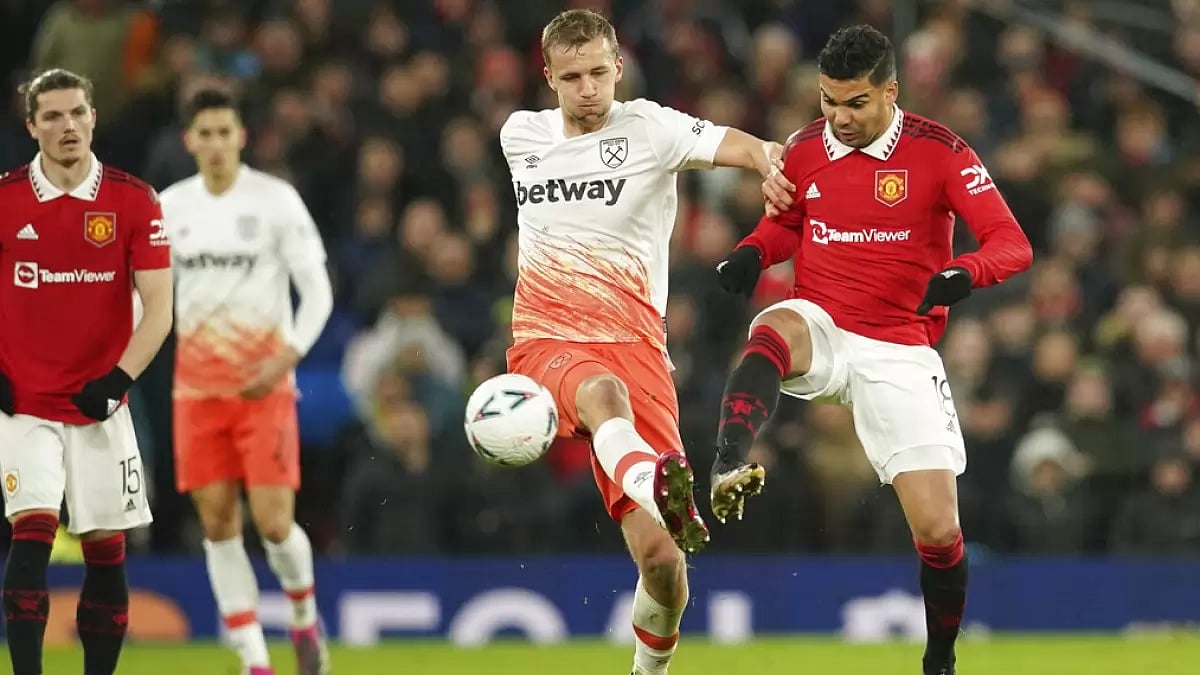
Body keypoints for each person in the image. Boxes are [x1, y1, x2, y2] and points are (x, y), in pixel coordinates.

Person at [709, 25, 1033, 675]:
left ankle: (939, 658)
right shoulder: (805, 148)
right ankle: (726, 464)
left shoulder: (941, 152)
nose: (839, 118)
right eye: (829, 101)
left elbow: (1011, 242)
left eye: (855, 103)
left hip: (900, 347)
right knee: (775, 325)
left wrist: (965, 273)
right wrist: (752, 251)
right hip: (825, 321)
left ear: (891, 90)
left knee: (939, 530)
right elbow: (786, 222)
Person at [500, 9, 794, 675]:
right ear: (548, 76)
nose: (587, 89)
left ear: (618, 69)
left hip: (637, 348)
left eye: (599, 73)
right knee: (601, 394)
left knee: (664, 566)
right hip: (547, 339)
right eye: (571, 76)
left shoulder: (652, 128)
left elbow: (736, 143)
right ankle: (656, 480)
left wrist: (770, 160)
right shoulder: (520, 135)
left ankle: (646, 670)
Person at [0, 68, 173, 675]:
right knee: (31, 539)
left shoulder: (131, 199)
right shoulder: (5, 200)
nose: (67, 125)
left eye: (77, 113)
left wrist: (119, 380)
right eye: (52, 116)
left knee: (106, 554)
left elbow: (160, 308)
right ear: (31, 126)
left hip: (100, 405)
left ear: (94, 117)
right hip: (22, 405)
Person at [158, 88, 334, 675]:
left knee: (276, 525)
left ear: (241, 136)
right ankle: (255, 660)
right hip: (196, 392)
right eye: (202, 133)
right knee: (216, 525)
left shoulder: (275, 201)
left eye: (223, 131)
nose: (213, 143)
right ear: (190, 141)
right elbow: (147, 300)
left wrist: (287, 357)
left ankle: (305, 618)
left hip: (264, 387)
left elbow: (317, 291)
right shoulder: (169, 207)